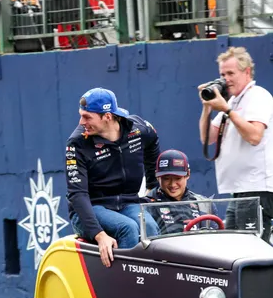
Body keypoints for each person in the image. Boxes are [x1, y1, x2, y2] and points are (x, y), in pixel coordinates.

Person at [197, 46, 273, 242]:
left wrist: (227, 110)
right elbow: (207, 138)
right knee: (233, 248)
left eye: (230, 73)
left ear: (246, 72)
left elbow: (255, 136)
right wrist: (207, 108)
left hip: (258, 188)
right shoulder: (233, 102)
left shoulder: (257, 96)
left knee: (251, 249)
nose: (225, 79)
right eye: (222, 74)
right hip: (239, 190)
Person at [66, 88, 161, 267]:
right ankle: (123, 291)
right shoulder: (77, 143)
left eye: (87, 117)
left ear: (107, 116)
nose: (81, 122)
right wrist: (99, 235)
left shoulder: (137, 128)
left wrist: (152, 184)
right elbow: (77, 195)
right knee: (128, 229)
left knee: (150, 228)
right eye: (81, 115)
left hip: (128, 203)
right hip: (92, 208)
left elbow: (153, 140)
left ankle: (150, 287)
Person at [146, 149, 209, 235]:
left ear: (188, 174)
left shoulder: (204, 204)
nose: (172, 184)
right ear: (157, 177)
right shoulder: (147, 205)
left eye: (178, 178)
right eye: (166, 178)